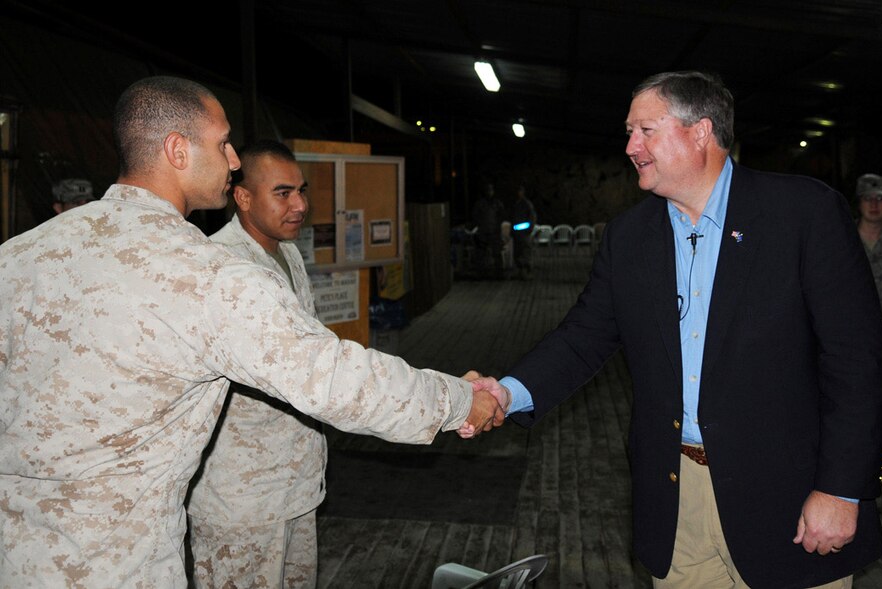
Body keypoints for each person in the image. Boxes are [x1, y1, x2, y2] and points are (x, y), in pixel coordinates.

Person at [0, 76, 504, 588]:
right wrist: (458, 400)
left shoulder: (19, 255)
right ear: (177, 150)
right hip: (120, 564)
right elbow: (334, 377)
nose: (234, 159)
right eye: (222, 143)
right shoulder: (205, 274)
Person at [465, 71, 882, 589]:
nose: (630, 146)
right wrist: (506, 393)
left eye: (644, 130)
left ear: (700, 132)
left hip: (789, 501)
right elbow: (582, 338)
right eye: (628, 132)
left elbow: (857, 360)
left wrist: (842, 490)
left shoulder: (803, 214)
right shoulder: (630, 237)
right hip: (676, 499)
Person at [186, 139, 324, 588]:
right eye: (283, 193)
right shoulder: (220, 267)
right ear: (242, 197)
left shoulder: (288, 253)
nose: (300, 205)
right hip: (239, 501)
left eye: (301, 191)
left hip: (295, 485)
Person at [855, 173, 882, 328]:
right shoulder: (843, 241)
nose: (874, 204)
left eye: (880, 199)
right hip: (855, 329)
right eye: (868, 198)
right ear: (860, 202)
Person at [470, 181, 507, 277]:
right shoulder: (480, 204)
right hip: (483, 232)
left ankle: (499, 273)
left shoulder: (497, 203)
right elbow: (475, 216)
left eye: (490, 190)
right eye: (487, 190)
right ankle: (482, 273)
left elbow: (502, 215)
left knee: (497, 253)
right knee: (481, 254)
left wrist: (497, 226)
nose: (489, 192)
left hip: (494, 232)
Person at [509, 184, 537, 279]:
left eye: (519, 191)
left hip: (524, 233)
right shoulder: (515, 204)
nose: (518, 193)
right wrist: (512, 231)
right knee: (517, 252)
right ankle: (519, 272)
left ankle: (527, 272)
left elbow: (532, 218)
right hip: (517, 233)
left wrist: (529, 230)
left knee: (525, 252)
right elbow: (512, 218)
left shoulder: (527, 204)